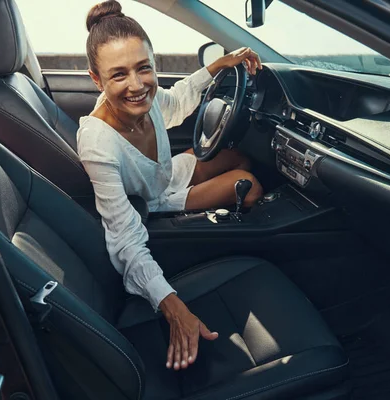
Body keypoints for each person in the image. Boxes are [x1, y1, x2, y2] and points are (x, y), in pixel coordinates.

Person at [77, 0, 263, 372]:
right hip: (158, 201)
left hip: (167, 173)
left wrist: (218, 65)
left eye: (144, 68)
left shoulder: (148, 98)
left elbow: (176, 102)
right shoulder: (97, 143)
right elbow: (124, 240)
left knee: (238, 156)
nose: (136, 85)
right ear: (96, 80)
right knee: (250, 184)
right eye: (118, 75)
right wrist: (173, 307)